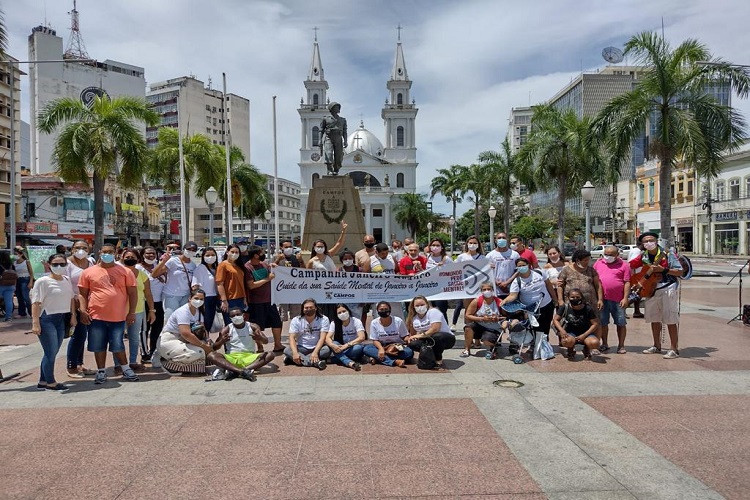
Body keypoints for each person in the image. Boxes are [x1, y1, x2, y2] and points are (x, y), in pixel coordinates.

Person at [155, 289, 256, 380]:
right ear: (190, 298)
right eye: (196, 298)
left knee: (210, 350)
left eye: (201, 299)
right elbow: (186, 333)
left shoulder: (198, 311)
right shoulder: (183, 312)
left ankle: (237, 370)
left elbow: (203, 329)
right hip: (171, 340)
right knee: (199, 352)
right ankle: (169, 364)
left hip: (185, 340)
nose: (198, 301)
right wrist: (203, 346)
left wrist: (207, 342)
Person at [78, 243, 139, 384]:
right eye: (104, 252)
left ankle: (126, 369)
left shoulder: (125, 271)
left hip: (118, 316)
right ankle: (101, 371)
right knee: (98, 345)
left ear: (115, 254)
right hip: (96, 315)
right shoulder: (88, 272)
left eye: (110, 252)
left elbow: (132, 293)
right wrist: (82, 310)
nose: (107, 254)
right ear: (99, 253)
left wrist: (132, 312)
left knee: (118, 344)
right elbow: (82, 294)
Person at [629, 232, 683, 359]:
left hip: (667, 287)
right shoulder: (644, 256)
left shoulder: (668, 254)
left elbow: (680, 271)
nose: (648, 243)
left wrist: (664, 270)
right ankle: (656, 345)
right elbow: (630, 266)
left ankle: (674, 348)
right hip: (650, 290)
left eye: (651, 240)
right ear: (642, 244)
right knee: (654, 318)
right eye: (645, 241)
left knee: (670, 318)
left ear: (656, 241)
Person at [30, 254, 76, 391]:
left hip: (61, 318)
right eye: (55, 264)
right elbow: (36, 303)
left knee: (52, 351)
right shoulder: (42, 281)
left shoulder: (67, 279)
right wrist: (35, 322)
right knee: (50, 352)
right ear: (49, 265)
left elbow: (72, 299)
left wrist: (73, 316)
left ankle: (43, 381)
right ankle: (51, 382)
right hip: (46, 318)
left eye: (62, 264)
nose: (59, 267)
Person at [114, 248, 155, 373]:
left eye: (132, 257)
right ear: (121, 258)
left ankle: (132, 362)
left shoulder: (142, 275)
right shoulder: (117, 273)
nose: (129, 259)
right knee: (117, 338)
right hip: (119, 311)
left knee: (134, 338)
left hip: (138, 311)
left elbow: (148, 294)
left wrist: (152, 310)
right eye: (127, 257)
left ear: (138, 259)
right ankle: (118, 364)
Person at [502, 257, 557, 343]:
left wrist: (555, 299)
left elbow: (549, 285)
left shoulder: (540, 273)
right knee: (535, 328)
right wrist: (504, 301)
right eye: (519, 266)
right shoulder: (517, 281)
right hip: (531, 309)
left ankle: (544, 347)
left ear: (528, 265)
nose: (522, 267)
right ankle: (534, 346)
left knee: (546, 327)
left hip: (546, 305)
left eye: (523, 265)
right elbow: (513, 295)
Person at [211, 306, 275, 380]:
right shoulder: (227, 329)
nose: (236, 317)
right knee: (211, 355)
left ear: (243, 315)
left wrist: (259, 338)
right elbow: (214, 348)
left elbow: (266, 341)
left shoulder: (252, 326)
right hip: (232, 358)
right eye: (233, 316)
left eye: (238, 314)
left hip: (249, 357)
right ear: (230, 318)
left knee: (270, 354)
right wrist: (222, 341)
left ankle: (238, 371)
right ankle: (243, 372)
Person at [244, 245, 284, 353]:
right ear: (256, 255)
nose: (263, 254)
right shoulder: (247, 268)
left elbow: (272, 270)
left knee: (276, 323)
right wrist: (267, 279)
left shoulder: (264, 264)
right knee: (257, 327)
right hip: (256, 302)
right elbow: (251, 285)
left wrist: (277, 261)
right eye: (261, 253)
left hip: (269, 300)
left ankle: (277, 344)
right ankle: (260, 347)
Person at [65, 240, 95, 377]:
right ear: (72, 249)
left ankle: (79, 364)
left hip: (89, 303)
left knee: (83, 336)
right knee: (78, 335)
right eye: (77, 248)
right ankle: (71, 366)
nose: (81, 250)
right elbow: (65, 285)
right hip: (73, 304)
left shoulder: (90, 262)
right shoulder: (67, 264)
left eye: (84, 248)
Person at [593, 245, 631, 354]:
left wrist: (625, 298)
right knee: (602, 323)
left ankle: (621, 345)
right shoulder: (598, 263)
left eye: (610, 255)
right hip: (602, 299)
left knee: (621, 323)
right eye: (606, 254)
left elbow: (627, 282)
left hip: (618, 299)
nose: (607, 256)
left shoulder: (624, 265)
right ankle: (604, 344)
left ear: (617, 255)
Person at [151, 241, 198, 320]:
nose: (191, 251)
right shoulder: (173, 261)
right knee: (171, 319)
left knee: (182, 320)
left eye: (193, 250)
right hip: (171, 295)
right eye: (189, 249)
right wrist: (164, 261)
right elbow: (154, 274)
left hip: (185, 296)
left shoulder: (193, 265)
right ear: (183, 249)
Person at [405, 296, 456, 368]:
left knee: (437, 336)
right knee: (412, 344)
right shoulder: (414, 318)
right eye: (417, 305)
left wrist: (419, 336)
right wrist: (412, 338)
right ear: (413, 307)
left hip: (445, 338)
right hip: (428, 339)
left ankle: (438, 359)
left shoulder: (433, 312)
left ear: (427, 304)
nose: (420, 307)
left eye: (422, 304)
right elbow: (412, 334)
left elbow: (435, 329)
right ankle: (429, 356)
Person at [553, 288, 601, 360]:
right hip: (570, 332)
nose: (575, 299)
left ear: (581, 297)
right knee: (567, 341)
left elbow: (595, 324)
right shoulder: (565, 307)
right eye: (572, 297)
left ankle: (586, 348)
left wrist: (584, 335)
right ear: (568, 298)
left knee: (594, 343)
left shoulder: (588, 308)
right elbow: (555, 319)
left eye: (577, 297)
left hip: (585, 332)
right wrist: (562, 330)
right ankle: (570, 349)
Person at [463, 282, 507, 359]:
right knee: (468, 328)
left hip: (493, 328)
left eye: (489, 289)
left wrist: (497, 318)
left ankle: (494, 346)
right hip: (480, 325)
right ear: (481, 291)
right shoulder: (477, 301)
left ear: (492, 290)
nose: (487, 291)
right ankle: (467, 349)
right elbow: (468, 315)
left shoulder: (499, 301)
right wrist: (482, 318)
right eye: (484, 289)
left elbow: (505, 316)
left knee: (487, 341)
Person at [284, 298, 331, 369]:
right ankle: (316, 362)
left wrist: (315, 352)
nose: (308, 309)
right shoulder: (296, 320)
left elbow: (322, 338)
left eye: (311, 307)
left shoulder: (324, 319)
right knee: (287, 350)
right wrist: (295, 353)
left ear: (315, 308)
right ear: (303, 309)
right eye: (306, 308)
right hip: (302, 348)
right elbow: (292, 337)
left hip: (318, 347)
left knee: (327, 350)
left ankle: (294, 360)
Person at [363, 301, 413, 367]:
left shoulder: (398, 321)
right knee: (367, 349)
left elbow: (404, 336)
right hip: (382, 346)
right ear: (377, 311)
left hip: (396, 347)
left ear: (390, 309)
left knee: (409, 353)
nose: (384, 311)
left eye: (386, 309)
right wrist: (381, 349)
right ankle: (395, 361)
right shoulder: (374, 322)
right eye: (381, 309)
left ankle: (378, 358)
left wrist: (409, 339)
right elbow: (375, 340)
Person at [454, 235, 487, 336]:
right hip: (466, 288)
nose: (472, 245)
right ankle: (468, 336)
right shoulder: (461, 257)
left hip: (479, 288)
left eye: (475, 243)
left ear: (478, 245)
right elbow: (453, 269)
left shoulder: (482, 257)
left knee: (478, 311)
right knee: (468, 312)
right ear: (467, 244)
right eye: (470, 243)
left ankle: (477, 337)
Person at [138, 246, 165, 364]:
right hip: (144, 303)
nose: (151, 256)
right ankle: (145, 354)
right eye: (148, 253)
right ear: (142, 255)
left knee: (157, 329)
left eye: (153, 253)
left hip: (159, 302)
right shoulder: (138, 268)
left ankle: (154, 351)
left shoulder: (159, 267)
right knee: (144, 329)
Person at [557, 249, 603, 314]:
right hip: (572, 303)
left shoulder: (591, 270)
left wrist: (600, 299)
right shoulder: (566, 270)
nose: (587, 262)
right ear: (577, 260)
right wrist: (560, 300)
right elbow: (560, 286)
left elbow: (598, 285)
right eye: (585, 260)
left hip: (590, 303)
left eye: (588, 260)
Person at [215, 244, 248, 327]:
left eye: (237, 252)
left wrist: (244, 298)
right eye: (232, 252)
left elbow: (241, 283)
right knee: (230, 325)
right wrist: (224, 301)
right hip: (229, 299)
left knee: (240, 324)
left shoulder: (239, 266)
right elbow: (219, 283)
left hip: (240, 299)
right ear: (227, 252)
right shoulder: (223, 265)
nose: (234, 254)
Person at [325, 303, 365, 370]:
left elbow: (361, 337)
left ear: (348, 311)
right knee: (334, 343)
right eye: (339, 313)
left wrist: (346, 345)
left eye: (344, 311)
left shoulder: (356, 321)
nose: (342, 314)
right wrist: (332, 345)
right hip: (340, 346)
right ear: (336, 315)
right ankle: (350, 363)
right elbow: (327, 338)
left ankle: (333, 359)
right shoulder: (334, 323)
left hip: (353, 346)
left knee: (357, 348)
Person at [274, 240, 304, 321]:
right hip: (283, 290)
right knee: (282, 316)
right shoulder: (277, 257)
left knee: (296, 315)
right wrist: (277, 260)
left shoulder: (295, 258)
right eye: (286, 247)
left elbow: (304, 271)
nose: (289, 248)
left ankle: (294, 332)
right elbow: (272, 269)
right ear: (281, 248)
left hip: (295, 290)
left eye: (290, 247)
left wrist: (301, 260)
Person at [191, 247, 219, 332]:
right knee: (204, 323)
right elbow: (195, 286)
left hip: (214, 298)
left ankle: (207, 340)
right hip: (205, 299)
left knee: (209, 322)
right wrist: (199, 301)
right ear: (203, 257)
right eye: (208, 255)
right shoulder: (200, 268)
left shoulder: (215, 268)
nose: (210, 257)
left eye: (213, 255)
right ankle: (204, 341)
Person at [486, 232, 519, 299]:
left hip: (511, 290)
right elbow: (486, 272)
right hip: (495, 290)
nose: (501, 239)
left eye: (504, 238)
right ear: (495, 240)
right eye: (499, 238)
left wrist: (507, 282)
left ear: (507, 240)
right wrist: (497, 283)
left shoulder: (515, 254)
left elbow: (518, 270)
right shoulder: (490, 255)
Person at [425, 238, 450, 321]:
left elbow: (454, 271)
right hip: (429, 287)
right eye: (433, 245)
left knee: (441, 310)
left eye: (438, 245)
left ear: (442, 247)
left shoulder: (446, 259)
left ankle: (445, 330)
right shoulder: (427, 257)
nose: (435, 247)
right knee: (430, 310)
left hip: (441, 288)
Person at [320, 101, 348, 174]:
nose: (338, 108)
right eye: (336, 107)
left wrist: (345, 141)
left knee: (338, 156)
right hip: (329, 138)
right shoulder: (326, 119)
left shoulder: (343, 120)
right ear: (331, 109)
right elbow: (321, 130)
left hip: (339, 138)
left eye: (338, 107)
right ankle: (329, 170)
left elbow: (345, 131)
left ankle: (336, 169)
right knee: (328, 154)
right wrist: (320, 140)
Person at [337, 249, 363, 320]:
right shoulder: (339, 271)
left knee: (357, 320)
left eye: (350, 258)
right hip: (344, 300)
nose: (348, 260)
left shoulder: (359, 270)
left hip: (357, 301)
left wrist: (363, 300)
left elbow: (364, 286)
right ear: (341, 260)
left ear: (353, 259)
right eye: (345, 259)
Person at [13, 247, 34, 318]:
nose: (15, 255)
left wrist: (31, 282)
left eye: (16, 254)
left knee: (26, 297)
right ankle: (22, 313)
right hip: (17, 280)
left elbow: (31, 272)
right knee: (19, 297)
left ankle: (32, 313)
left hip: (25, 279)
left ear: (21, 254)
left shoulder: (26, 262)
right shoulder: (14, 263)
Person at [628, 242, 645, 318]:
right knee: (636, 295)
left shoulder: (635, 250)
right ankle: (623, 308)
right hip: (637, 276)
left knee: (637, 294)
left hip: (636, 275)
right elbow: (633, 264)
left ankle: (637, 311)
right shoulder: (637, 251)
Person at [0, 251, 17, 322]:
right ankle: (8, 317)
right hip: (11, 285)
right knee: (9, 302)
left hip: (1, 285)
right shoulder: (11, 265)